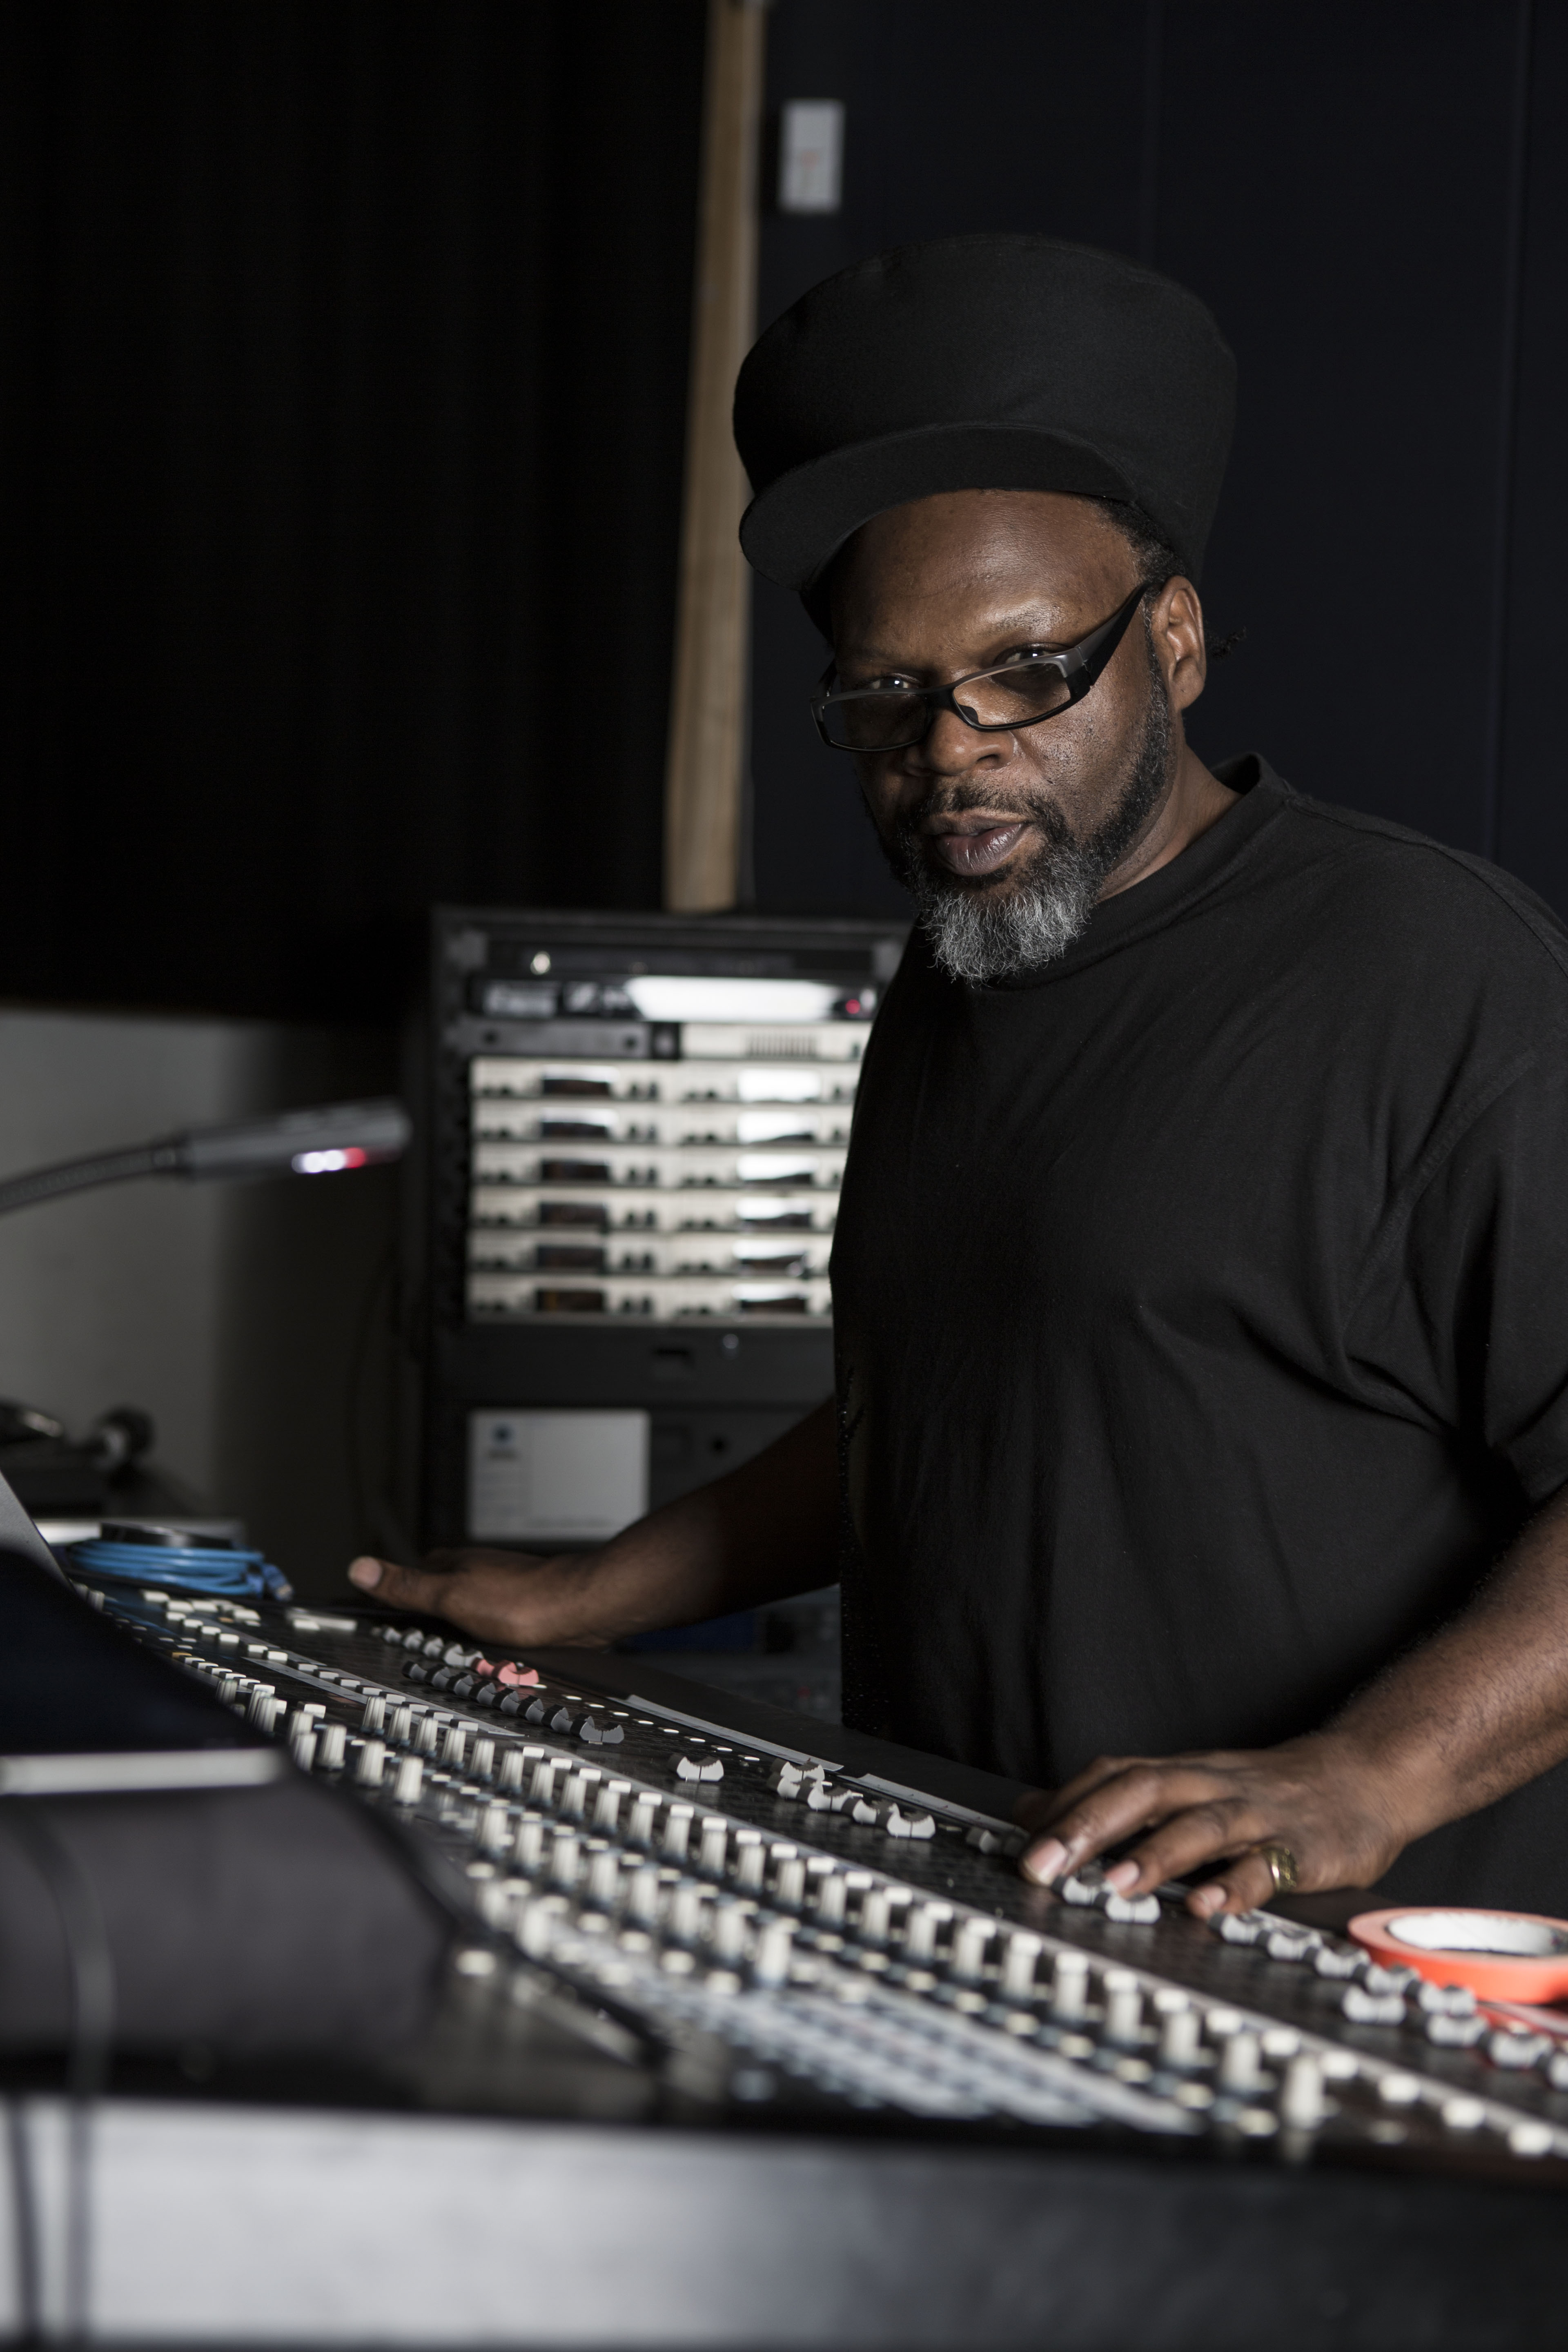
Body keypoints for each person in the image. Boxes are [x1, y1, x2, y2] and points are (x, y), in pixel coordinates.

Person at [351, 236, 1568, 1920]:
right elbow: (935, 1406)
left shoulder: (1439, 976)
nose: (952, 749)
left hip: (1321, 1980)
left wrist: (1374, 1773)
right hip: (982, 1914)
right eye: (888, 695)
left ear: (1182, 644)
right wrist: (591, 1594)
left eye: (1027, 670)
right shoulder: (954, 968)